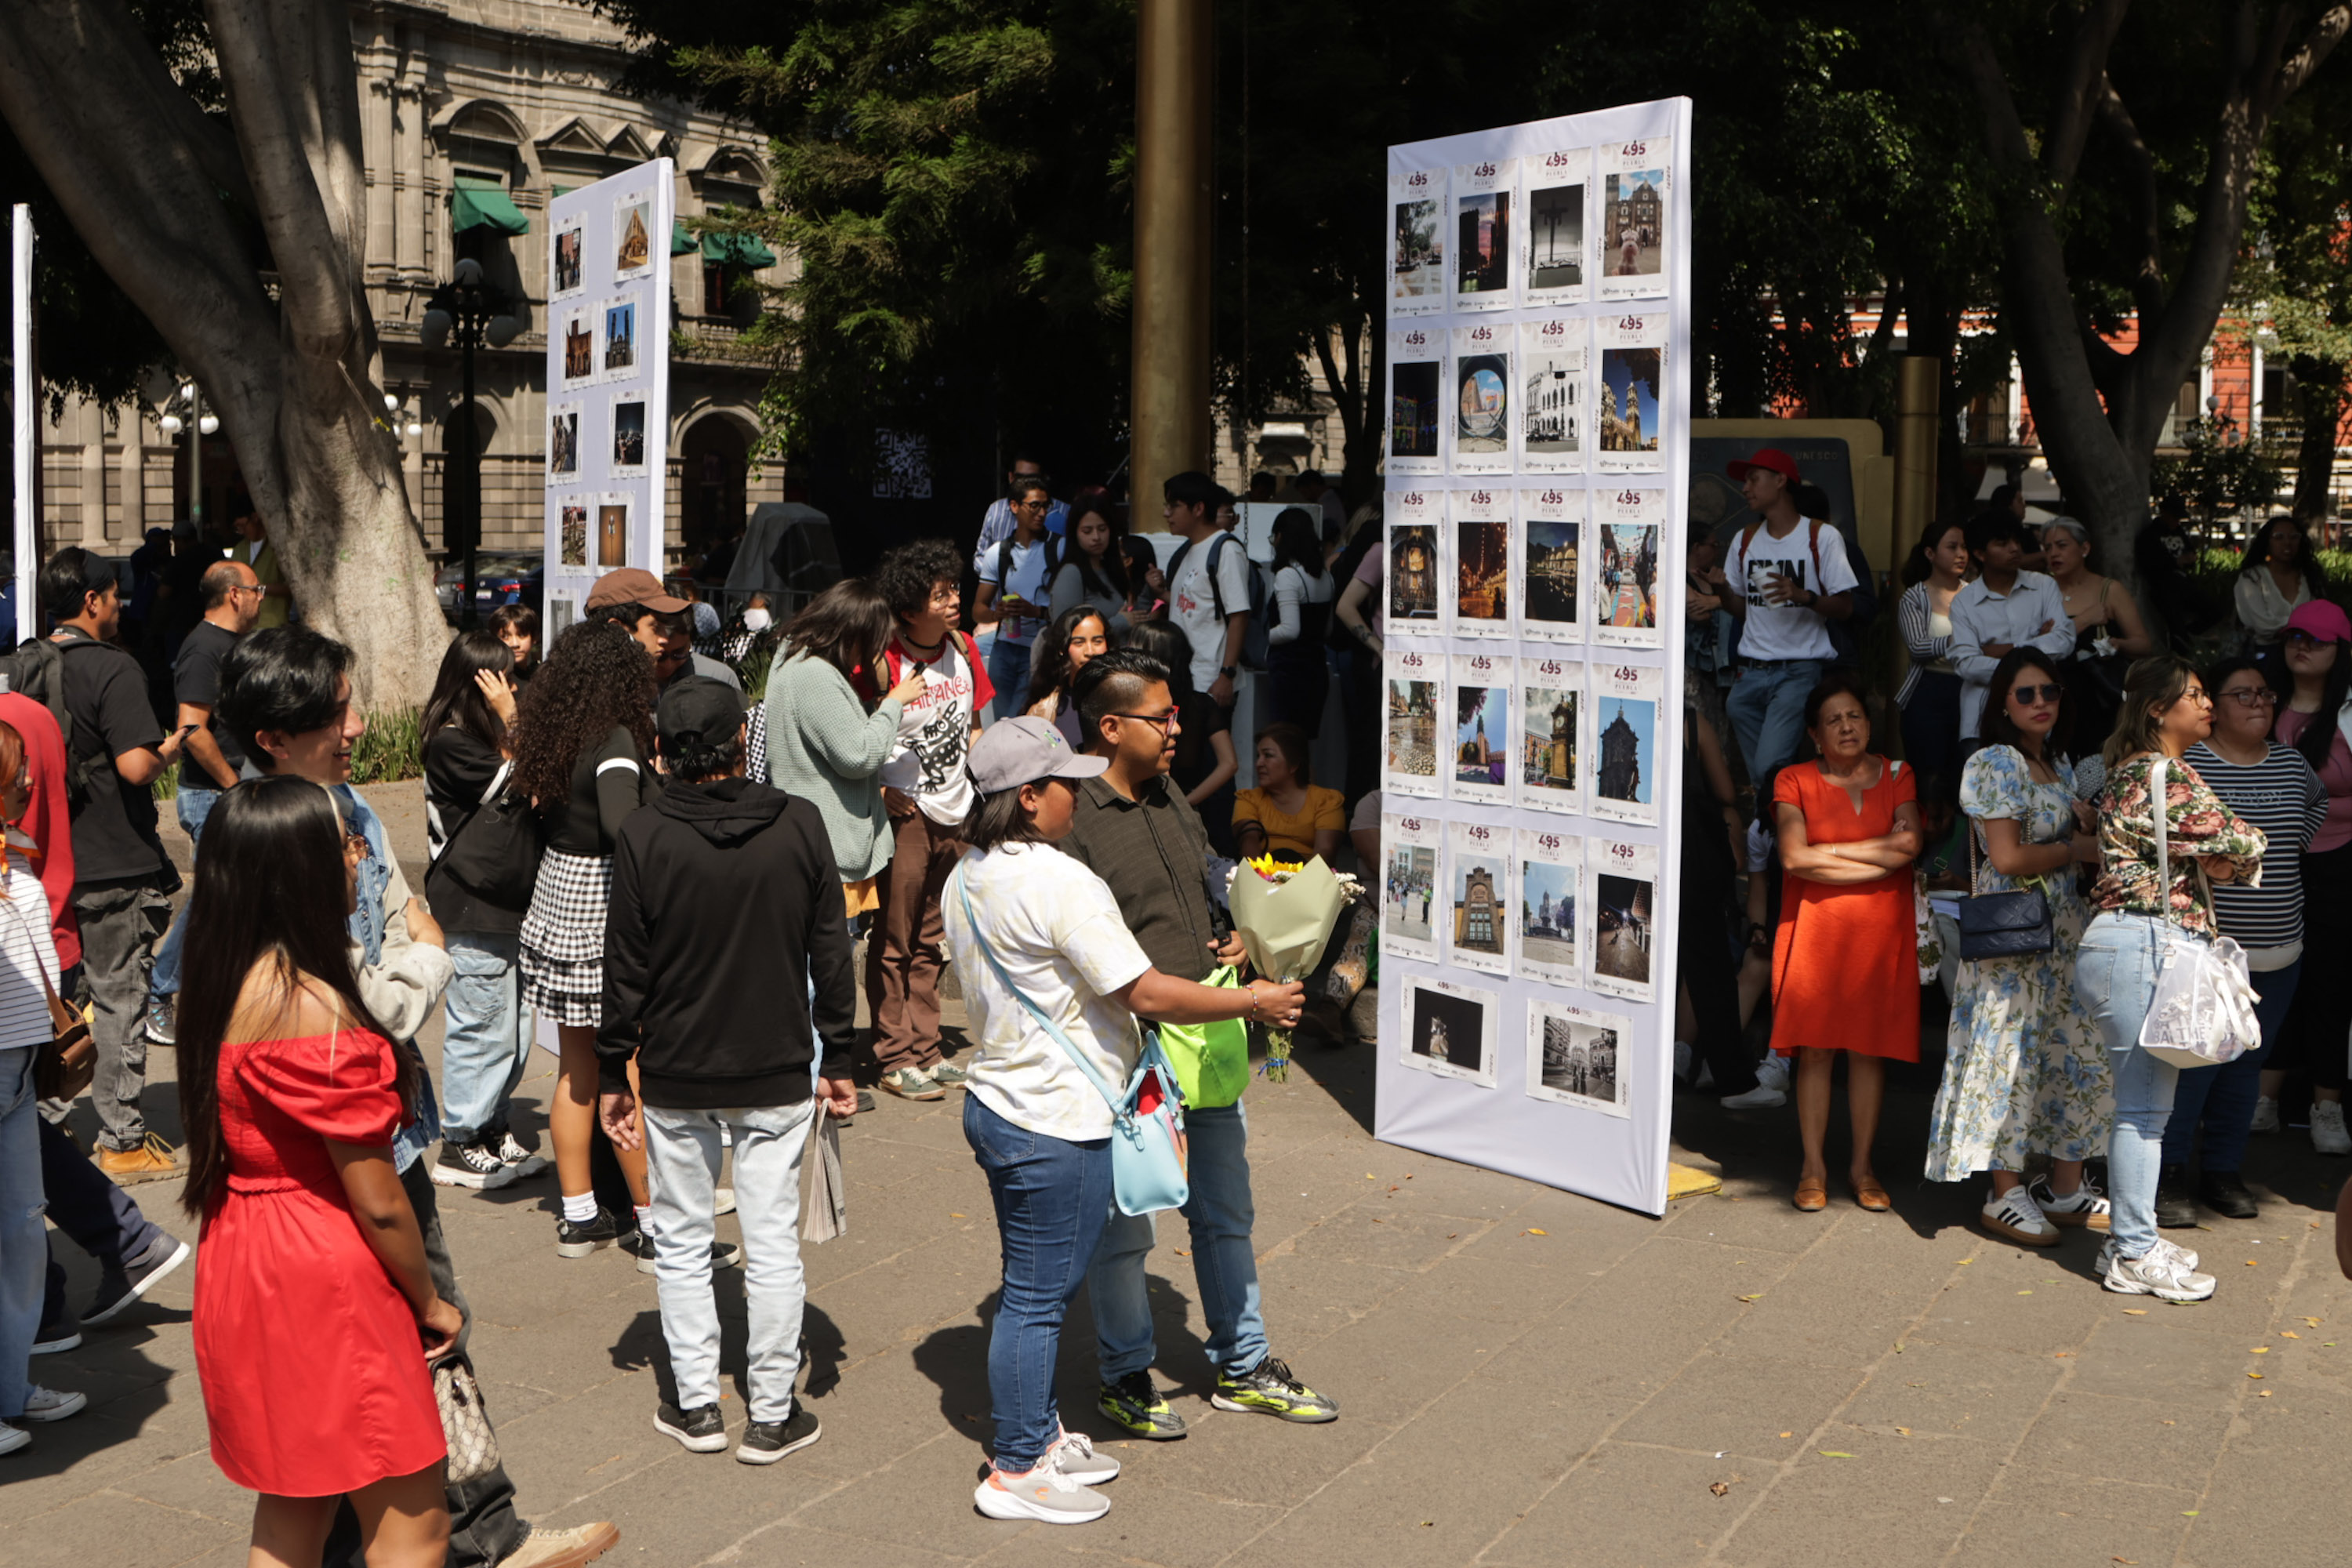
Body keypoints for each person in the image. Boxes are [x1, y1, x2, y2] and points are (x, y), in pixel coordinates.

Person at [220, 630, 618, 1568]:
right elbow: (376, 992)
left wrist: (409, 952)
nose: (359, 726)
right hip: (345, 1166)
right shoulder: (276, 842)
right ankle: (478, 1534)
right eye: (338, 712)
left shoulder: (338, 809)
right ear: (275, 736)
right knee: (426, 1338)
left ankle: (464, 1530)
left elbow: (401, 924)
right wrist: (427, 960)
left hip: (332, 1169)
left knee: (304, 1470)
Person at [942, 717, 1305, 1524]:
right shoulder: (1059, 881)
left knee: (1033, 1289)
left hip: (999, 1098)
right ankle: (1017, 1464)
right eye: (1064, 781)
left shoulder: (967, 872)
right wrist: (1254, 999)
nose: (1079, 791)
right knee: (1036, 1299)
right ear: (1028, 797)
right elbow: (1142, 990)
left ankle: (1040, 1430)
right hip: (1053, 1114)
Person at [173, 778, 453, 1563]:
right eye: (345, 842)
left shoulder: (223, 974)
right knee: (414, 1525)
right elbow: (381, 1200)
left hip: (246, 1255)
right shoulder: (311, 1006)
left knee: (294, 1512)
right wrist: (431, 1300)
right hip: (324, 1278)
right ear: (295, 867)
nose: (359, 856)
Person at [1069, 648, 1332, 1442]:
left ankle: (1244, 1364)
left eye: (1176, 713)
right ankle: (1124, 1371)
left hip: (1210, 1038)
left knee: (1226, 1213)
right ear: (1111, 726)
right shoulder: (1072, 817)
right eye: (1162, 715)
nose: (1179, 726)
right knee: (1129, 1228)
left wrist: (1236, 933)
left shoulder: (1171, 793)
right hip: (1130, 1055)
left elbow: (1203, 878)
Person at [598, 677, 859, 1466]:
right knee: (773, 1240)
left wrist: (614, 1067)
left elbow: (626, 967)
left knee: (679, 1239)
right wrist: (839, 1052)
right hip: (777, 1063)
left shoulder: (644, 834)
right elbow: (831, 951)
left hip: (677, 1069)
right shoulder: (800, 823)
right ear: (741, 741)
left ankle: (700, 1404)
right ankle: (773, 1411)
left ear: (665, 753)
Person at [2077, 656, 2267, 1302]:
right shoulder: (2162, 774)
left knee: (2147, 1108)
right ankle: (2132, 1250)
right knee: (2144, 1112)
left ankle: (2135, 1237)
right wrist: (2237, 850)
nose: (2208, 703)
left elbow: (2222, 860)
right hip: (2141, 945)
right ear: (2158, 709)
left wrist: (2227, 858)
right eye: (2195, 694)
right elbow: (2240, 842)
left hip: (2132, 944)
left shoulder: (2143, 773)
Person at [1926, 651, 2112, 1247]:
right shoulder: (1995, 762)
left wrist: (2080, 824)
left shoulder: (2054, 763)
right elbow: (2006, 858)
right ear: (2002, 702)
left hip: (2062, 937)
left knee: (2072, 1053)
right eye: (2025, 693)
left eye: (2049, 692)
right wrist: (2076, 850)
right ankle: (2004, 1192)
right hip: (2013, 943)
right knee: (2010, 1056)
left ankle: (2064, 1186)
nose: (2040, 703)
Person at [510, 621, 658, 1254]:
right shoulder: (616, 737)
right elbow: (626, 829)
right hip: (604, 905)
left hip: (557, 895)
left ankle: (577, 1214)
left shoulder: (555, 731)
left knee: (575, 1069)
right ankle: (655, 1225)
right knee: (630, 1070)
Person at [43, 548, 191, 1182]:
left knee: (51, 1004)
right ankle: (123, 1138)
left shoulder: (25, 664)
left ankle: (44, 1128)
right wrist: (170, 750)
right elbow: (135, 766)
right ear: (94, 600)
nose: (119, 606)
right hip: (112, 865)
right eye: (112, 595)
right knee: (119, 1000)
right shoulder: (113, 669)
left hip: (45, 864)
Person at [2161, 655, 2325, 1224]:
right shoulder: (2190, 766)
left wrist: (2289, 846)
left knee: (2245, 1071)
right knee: (2196, 1066)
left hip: (2282, 951)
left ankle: (2224, 1173)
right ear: (2215, 707)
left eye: (2265, 695)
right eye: (2242, 695)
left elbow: (2317, 805)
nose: (2259, 703)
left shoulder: (2290, 764)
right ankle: (2172, 1177)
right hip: (2211, 954)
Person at [1768, 672, 1922, 1211]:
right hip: (1815, 930)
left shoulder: (1899, 774)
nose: (1846, 726)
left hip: (1879, 935)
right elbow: (1792, 857)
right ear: (1814, 735)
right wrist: (1876, 857)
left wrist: (1827, 853)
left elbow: (1911, 845)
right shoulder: (1792, 780)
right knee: (1814, 1051)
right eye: (1833, 720)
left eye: (1854, 715)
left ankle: (1862, 1167)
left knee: (1868, 1050)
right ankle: (1812, 1167)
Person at [423, 633, 549, 1190]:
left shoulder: (486, 738)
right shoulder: (450, 743)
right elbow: (529, 774)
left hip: (507, 899)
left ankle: (492, 1127)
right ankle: (459, 1142)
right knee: (481, 1025)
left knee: (516, 1029)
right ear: (479, 683)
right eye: (503, 678)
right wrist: (513, 716)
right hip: (472, 901)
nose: (513, 687)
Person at [868, 539, 993, 1100]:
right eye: (939, 595)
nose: (953, 602)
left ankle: (927, 1046)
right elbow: (847, 738)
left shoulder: (965, 648)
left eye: (954, 590)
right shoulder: (878, 658)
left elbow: (974, 723)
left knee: (932, 938)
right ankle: (894, 1055)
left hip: (957, 813)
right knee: (894, 936)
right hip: (908, 816)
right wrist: (878, 788)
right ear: (909, 606)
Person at [0, 720, 88, 1454]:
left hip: (20, 1069)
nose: (31, 780)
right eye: (18, 769)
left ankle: (9, 1386)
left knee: (25, 1231)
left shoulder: (14, 854)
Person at [141, 557, 263, 1046]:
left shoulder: (233, 645)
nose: (261, 596)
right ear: (234, 594)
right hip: (213, 796)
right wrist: (235, 785)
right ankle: (158, 993)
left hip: (230, 792)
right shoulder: (204, 648)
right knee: (214, 901)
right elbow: (191, 729)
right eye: (255, 589)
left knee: (237, 902)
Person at [765, 579, 929, 923]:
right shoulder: (814, 675)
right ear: (852, 635)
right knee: (820, 965)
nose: (869, 657)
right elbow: (860, 755)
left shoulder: (791, 656)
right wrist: (895, 703)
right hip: (826, 852)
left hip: (807, 841)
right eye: (871, 646)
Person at [2257, 599, 2352, 1152]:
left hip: (2342, 864)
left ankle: (2327, 1109)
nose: (2303, 645)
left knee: (2331, 984)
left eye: (2317, 639)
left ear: (2340, 651)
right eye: (2295, 635)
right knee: (2270, 982)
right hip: (2270, 863)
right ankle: (2263, 1101)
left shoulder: (2347, 712)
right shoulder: (2261, 705)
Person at [1719, 449, 1860, 784]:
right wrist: (1721, 591)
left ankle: (1776, 822)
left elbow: (1846, 607)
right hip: (1749, 672)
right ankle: (1774, 824)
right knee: (1766, 777)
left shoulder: (1821, 537)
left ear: (1781, 481)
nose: (1745, 488)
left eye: (1753, 479)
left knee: (1769, 766)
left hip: (1798, 671)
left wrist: (1804, 596)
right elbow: (1742, 610)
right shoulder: (1745, 539)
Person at [1947, 509, 2075, 741]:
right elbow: (1966, 663)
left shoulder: (2043, 586)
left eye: (2016, 541)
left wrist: (2008, 649)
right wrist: (2034, 651)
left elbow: (2064, 640)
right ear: (1980, 553)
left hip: (2039, 719)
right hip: (1982, 719)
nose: (2015, 548)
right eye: (2002, 543)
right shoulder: (1964, 602)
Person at [1119, 622, 1238, 854]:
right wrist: (1189, 801)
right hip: (1195, 810)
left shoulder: (1136, 708)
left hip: (1148, 808)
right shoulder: (1202, 705)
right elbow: (1230, 763)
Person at [1161, 471, 1254, 751]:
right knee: (1185, 763)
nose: (1167, 513)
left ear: (1198, 508)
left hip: (1210, 682)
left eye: (1174, 505)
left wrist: (1227, 674)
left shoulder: (1225, 550)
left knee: (1209, 765)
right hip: (1184, 678)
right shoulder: (1187, 550)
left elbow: (1239, 614)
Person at [2042, 516, 2151, 747]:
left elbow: (2144, 644)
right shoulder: (2039, 592)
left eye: (2062, 546)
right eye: (2047, 547)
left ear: (2084, 548)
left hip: (2100, 700)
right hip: (2052, 698)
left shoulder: (2109, 590)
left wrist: (2119, 644)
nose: (2053, 554)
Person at [976, 477, 1060, 720]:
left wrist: (1037, 612)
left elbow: (1071, 608)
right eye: (1034, 506)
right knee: (1002, 721)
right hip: (1004, 647)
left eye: (1046, 506)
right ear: (1014, 506)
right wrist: (996, 614)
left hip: (1040, 648)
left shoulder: (1059, 548)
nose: (1042, 513)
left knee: (1017, 720)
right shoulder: (998, 553)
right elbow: (978, 610)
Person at [1896, 518, 1969, 778]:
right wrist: (1957, 641)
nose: (1961, 554)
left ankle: (1957, 820)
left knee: (1962, 775)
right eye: (1952, 547)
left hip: (1969, 689)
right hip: (1926, 691)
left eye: (1964, 547)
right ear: (1930, 553)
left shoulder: (1975, 595)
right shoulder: (1915, 597)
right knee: (1929, 776)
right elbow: (1917, 646)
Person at [1264, 506, 1334, 735]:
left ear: (1281, 537)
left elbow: (1290, 630)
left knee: (1284, 740)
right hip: (1316, 669)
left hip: (1289, 672)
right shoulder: (1326, 576)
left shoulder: (1288, 576)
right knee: (1304, 745)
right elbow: (1328, 629)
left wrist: (1258, 638)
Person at [1232, 723, 1343, 863]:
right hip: (1262, 876)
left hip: (1311, 878)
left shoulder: (1326, 801)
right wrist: (1263, 879)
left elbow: (1325, 851)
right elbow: (1248, 841)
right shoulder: (1249, 799)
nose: (1259, 763)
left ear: (1294, 764)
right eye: (1258, 756)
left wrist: (1298, 883)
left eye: (1268, 755)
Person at [1045, 495, 1136, 635]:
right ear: (1074, 534)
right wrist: (1118, 623)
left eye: (1102, 529)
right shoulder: (1071, 573)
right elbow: (1065, 632)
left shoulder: (1110, 568)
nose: (1096, 537)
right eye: (1087, 531)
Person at [2234, 514, 2324, 656]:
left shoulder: (2309, 578)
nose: (2287, 542)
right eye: (2279, 537)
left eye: (2294, 537)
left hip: (2307, 654)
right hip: (2266, 656)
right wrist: (2303, 627)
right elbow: (2264, 627)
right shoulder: (2251, 579)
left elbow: (2321, 619)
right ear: (2267, 542)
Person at [1025, 607, 1111, 748]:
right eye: (1079, 642)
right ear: (1062, 648)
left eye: (1097, 641)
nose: (1090, 651)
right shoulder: (1044, 709)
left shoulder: (1125, 700)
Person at [971, 452, 1067, 571]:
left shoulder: (1065, 513)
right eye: (1020, 478)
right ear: (1011, 478)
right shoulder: (996, 511)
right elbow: (980, 558)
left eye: (1032, 479)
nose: (1025, 484)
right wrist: (1002, 577)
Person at [233, 506, 292, 630]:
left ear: (255, 517)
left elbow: (293, 588)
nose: (242, 531)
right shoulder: (240, 548)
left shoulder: (279, 547)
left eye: (243, 526)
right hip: (245, 627)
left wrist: (260, 588)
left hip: (274, 625)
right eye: (238, 528)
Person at [491, 603, 539, 685]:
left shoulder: (539, 675)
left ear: (534, 638)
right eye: (505, 636)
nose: (515, 644)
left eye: (522, 635)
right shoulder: (496, 681)